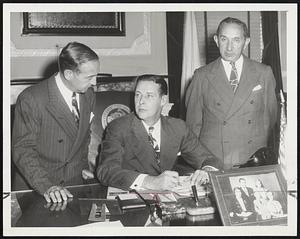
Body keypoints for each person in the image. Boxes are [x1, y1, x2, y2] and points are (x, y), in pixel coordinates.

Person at [97, 74, 222, 191]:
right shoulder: (119, 127)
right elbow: (106, 171)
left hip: (169, 200)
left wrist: (206, 170)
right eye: (137, 95)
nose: (141, 101)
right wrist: (150, 181)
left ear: (163, 100)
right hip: (133, 198)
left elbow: (208, 159)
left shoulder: (177, 127)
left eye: (149, 96)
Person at [12, 42, 100, 203]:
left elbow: (83, 136)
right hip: (38, 188)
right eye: (89, 77)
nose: (94, 82)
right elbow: (23, 151)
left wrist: (82, 166)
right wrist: (47, 186)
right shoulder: (32, 98)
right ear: (68, 74)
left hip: (73, 186)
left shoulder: (88, 95)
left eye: (95, 75)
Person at [185, 17, 278, 169]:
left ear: (246, 41)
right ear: (216, 40)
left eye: (236, 40)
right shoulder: (201, 76)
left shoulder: (263, 73)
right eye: (224, 39)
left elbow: (270, 119)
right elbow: (192, 127)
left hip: (252, 159)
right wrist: (203, 163)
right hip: (214, 161)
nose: (229, 47)